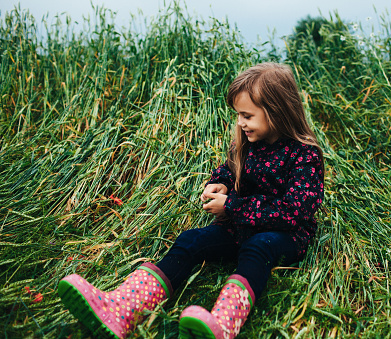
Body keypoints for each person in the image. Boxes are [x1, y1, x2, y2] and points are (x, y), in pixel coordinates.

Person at [58, 62, 325, 339]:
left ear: (276, 111)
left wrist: (232, 206)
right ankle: (123, 308)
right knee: (190, 240)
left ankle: (222, 325)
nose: (240, 123)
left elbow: (294, 212)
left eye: (247, 115)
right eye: (238, 115)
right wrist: (219, 184)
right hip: (240, 226)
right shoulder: (247, 143)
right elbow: (228, 169)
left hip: (285, 235)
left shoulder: (304, 155)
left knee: (258, 248)